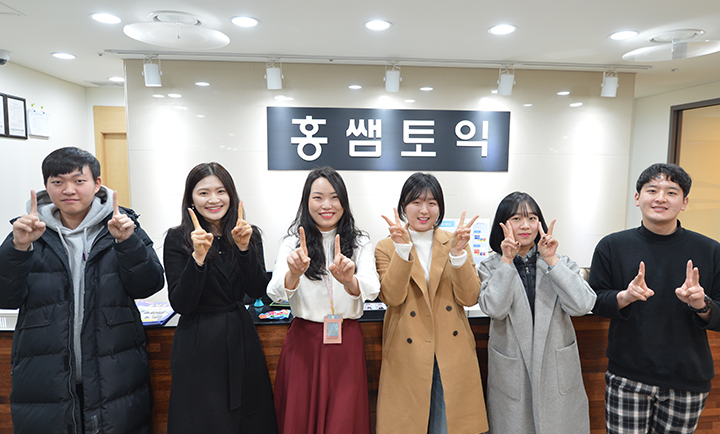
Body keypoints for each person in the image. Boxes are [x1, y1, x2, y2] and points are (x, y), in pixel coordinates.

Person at [0, 147, 164, 433]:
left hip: (113, 374)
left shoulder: (122, 225)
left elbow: (148, 285)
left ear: (97, 183)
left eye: (79, 181)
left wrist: (127, 243)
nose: (69, 190)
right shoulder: (27, 232)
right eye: (58, 182)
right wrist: (18, 249)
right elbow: (6, 297)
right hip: (45, 378)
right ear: (46, 185)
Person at [590, 163, 720, 434]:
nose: (661, 198)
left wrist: (701, 304)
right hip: (627, 376)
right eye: (652, 190)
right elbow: (595, 301)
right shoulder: (612, 246)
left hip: (687, 380)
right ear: (637, 198)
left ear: (684, 203)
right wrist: (625, 296)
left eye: (671, 192)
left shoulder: (710, 250)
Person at [163, 162, 278, 434]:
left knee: (249, 419)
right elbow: (181, 303)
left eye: (221, 191)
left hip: (240, 337)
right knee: (203, 420)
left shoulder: (246, 233)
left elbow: (258, 290)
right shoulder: (178, 238)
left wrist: (244, 249)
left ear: (231, 195)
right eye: (204, 193)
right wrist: (198, 257)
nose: (213, 199)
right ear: (191, 199)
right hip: (198, 341)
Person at [267, 166, 380, 434]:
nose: (326, 205)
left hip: (346, 341)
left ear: (344, 202)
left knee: (344, 420)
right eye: (318, 197)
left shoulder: (360, 242)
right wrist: (294, 274)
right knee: (300, 419)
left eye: (334, 197)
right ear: (307, 202)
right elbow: (274, 291)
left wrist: (349, 281)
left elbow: (373, 288)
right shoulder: (293, 243)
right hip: (303, 343)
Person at [374, 172, 488, 434]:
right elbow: (392, 297)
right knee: (407, 426)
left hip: (452, 352)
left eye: (431, 203)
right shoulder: (386, 247)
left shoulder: (456, 242)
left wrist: (457, 254)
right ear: (404, 206)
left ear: (440, 207)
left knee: (448, 427)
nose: (424, 210)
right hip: (408, 353)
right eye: (416, 202)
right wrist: (402, 250)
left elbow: (469, 297)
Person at [478, 191, 595, 434]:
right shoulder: (491, 266)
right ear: (502, 224)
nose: (525, 225)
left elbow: (583, 304)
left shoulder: (560, 261)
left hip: (556, 370)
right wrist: (507, 261)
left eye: (532, 218)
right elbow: (494, 309)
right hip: (512, 370)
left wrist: (551, 260)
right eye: (516, 219)